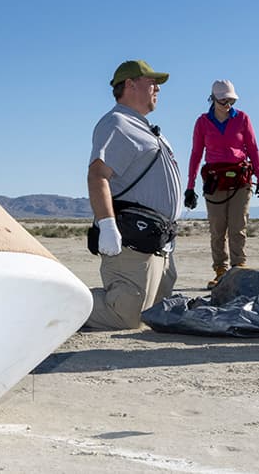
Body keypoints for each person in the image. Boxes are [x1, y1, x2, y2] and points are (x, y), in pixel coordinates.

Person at [84, 59, 183, 330]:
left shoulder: (143, 127)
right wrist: (107, 225)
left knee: (149, 317)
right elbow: (97, 175)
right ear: (130, 84)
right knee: (123, 315)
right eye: (152, 82)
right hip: (133, 240)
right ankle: (52, 307)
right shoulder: (117, 123)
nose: (157, 90)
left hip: (157, 241)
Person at [184, 80, 259, 287]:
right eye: (223, 100)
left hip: (241, 179)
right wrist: (190, 186)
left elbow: (253, 148)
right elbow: (196, 154)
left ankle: (238, 269)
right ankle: (220, 271)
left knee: (238, 226)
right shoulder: (203, 122)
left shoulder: (243, 119)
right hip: (214, 180)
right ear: (213, 99)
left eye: (230, 100)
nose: (227, 104)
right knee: (217, 227)